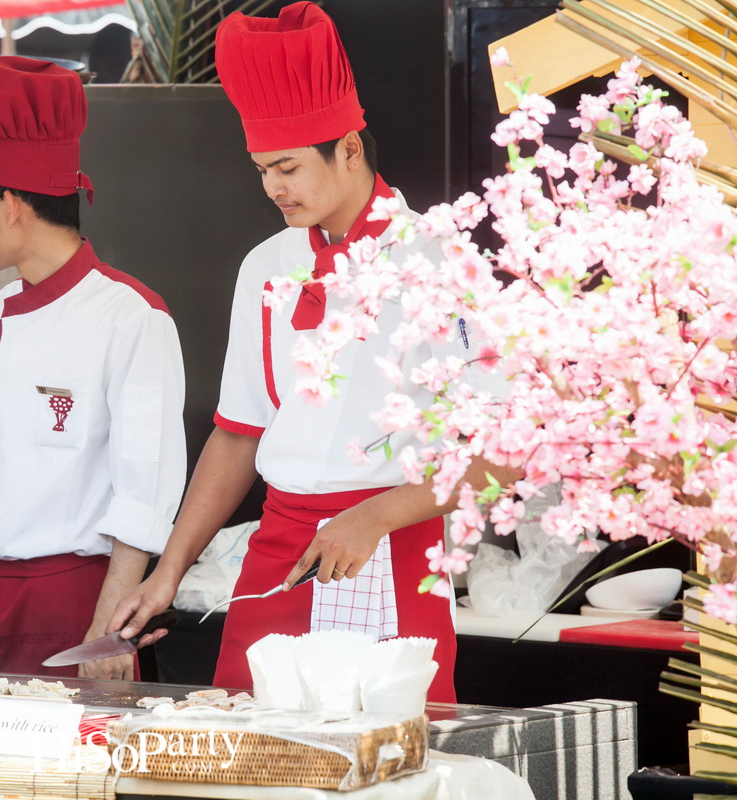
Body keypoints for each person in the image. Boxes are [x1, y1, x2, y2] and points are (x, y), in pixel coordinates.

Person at [108, 2, 515, 701]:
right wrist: (168, 569)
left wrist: (375, 517)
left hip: (387, 550)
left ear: (349, 149)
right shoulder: (264, 265)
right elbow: (238, 436)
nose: (272, 187)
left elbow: (505, 454)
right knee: (247, 756)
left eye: (288, 168)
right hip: (278, 557)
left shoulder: (442, 259)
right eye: (262, 169)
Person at [0, 57, 187, 681]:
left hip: (74, 604)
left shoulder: (133, 317)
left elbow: (144, 493)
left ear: (13, 206)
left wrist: (108, 637)